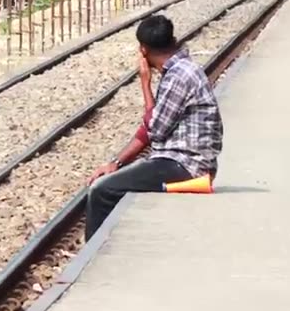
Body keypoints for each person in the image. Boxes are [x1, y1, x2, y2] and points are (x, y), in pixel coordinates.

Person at [85, 14, 223, 239]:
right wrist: (116, 163)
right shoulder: (181, 70)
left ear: (143, 51)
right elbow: (150, 129)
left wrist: (145, 84)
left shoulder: (179, 76)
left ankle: (89, 257)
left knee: (102, 190)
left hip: (185, 165)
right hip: (184, 160)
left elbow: (154, 130)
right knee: (113, 181)